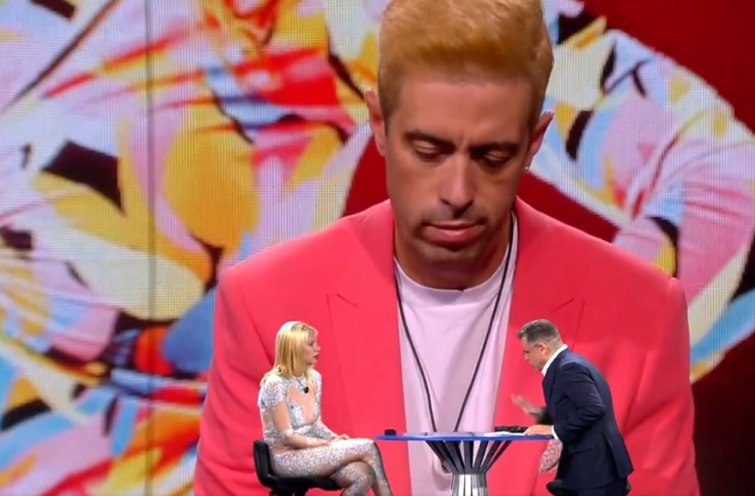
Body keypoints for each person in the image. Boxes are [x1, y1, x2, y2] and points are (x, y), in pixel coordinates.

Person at [193, 0, 699, 494]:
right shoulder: (264, 306)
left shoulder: (642, 314)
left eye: (492, 156)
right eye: (429, 151)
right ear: (379, 123)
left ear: (534, 141)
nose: (458, 192)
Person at [257, 321, 394, 496]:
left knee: (363, 473)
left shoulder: (314, 378)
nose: (318, 348)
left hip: (314, 452)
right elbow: (287, 437)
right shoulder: (274, 384)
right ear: (295, 348)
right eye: (311, 344)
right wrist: (324, 444)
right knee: (368, 447)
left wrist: (334, 438)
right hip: (286, 457)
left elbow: (316, 425)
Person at [516, 319, 632, 496]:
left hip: (596, 469)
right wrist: (542, 413)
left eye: (527, 352)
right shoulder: (566, 365)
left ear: (542, 348)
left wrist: (553, 430)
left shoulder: (568, 368)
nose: (525, 358)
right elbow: (575, 407)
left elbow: (593, 408)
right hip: (586, 468)